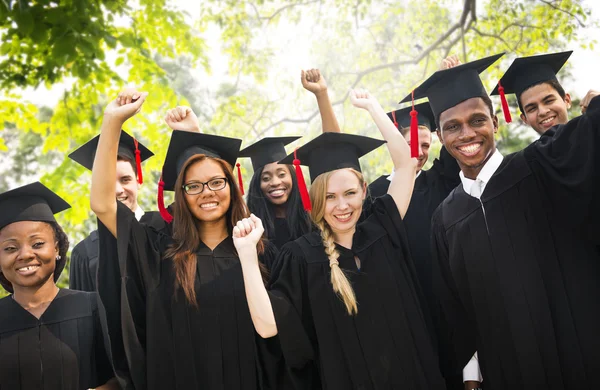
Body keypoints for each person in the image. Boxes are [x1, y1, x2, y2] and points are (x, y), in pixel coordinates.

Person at [232, 89, 449, 389]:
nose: (342, 206)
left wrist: (374, 108)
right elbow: (268, 326)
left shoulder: (382, 228)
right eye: (330, 197)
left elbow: (405, 164)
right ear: (316, 199)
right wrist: (245, 254)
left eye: (349, 193)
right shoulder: (301, 257)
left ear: (363, 189)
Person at [410, 51, 600, 390]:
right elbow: (455, 309)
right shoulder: (444, 220)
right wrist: (470, 377)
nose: (467, 134)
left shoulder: (540, 168)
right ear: (440, 136)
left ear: (495, 121)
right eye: (453, 127)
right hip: (507, 371)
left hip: (576, 353)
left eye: (477, 120)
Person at [90, 89, 280, 390]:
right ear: (181, 194)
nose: (207, 192)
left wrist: (194, 137)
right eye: (193, 186)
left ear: (231, 186)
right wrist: (112, 122)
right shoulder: (158, 249)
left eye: (217, 183)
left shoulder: (257, 250)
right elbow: (103, 205)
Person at [0, 182, 117, 389]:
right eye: (10, 248)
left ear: (56, 249)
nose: (25, 254)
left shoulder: (94, 309)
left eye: (37, 244)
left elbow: (124, 376)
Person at [68, 131, 164, 291]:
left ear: (139, 180)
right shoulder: (84, 253)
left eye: (125, 179)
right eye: (108, 182)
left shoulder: (166, 229)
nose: (118, 190)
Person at [491, 50, 598, 134]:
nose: (542, 112)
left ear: (567, 100)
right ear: (525, 119)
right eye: (532, 108)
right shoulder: (527, 161)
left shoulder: (594, 134)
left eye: (548, 101)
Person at [240, 137, 313, 249]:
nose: (275, 182)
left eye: (282, 174)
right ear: (257, 185)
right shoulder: (251, 228)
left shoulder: (312, 218)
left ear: (293, 176)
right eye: (266, 178)